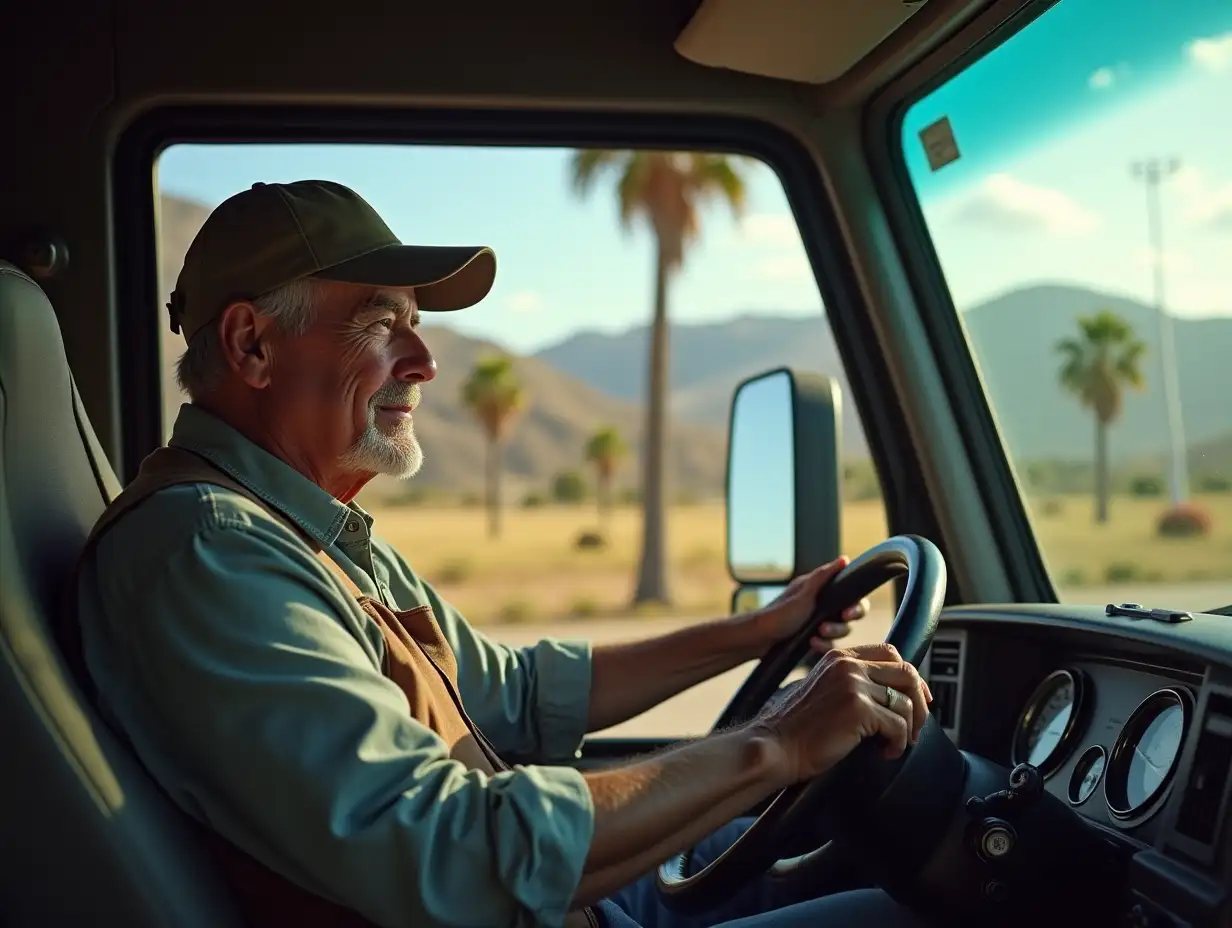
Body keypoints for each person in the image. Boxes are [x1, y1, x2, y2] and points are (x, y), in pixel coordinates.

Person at [74, 179, 935, 928]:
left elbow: (517, 693)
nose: (426, 360)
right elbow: (448, 849)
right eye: (382, 324)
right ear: (252, 346)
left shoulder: (305, 529)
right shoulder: (208, 551)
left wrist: (758, 634)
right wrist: (779, 743)